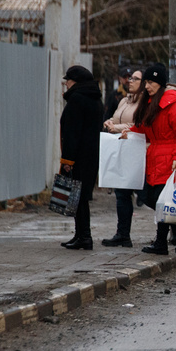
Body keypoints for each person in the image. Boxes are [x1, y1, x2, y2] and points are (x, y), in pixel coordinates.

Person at [130, 63, 176, 255]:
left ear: (160, 83)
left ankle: (162, 242)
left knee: (161, 200)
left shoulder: (173, 105)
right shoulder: (150, 103)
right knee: (149, 197)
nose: (147, 86)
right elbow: (144, 128)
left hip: (169, 160)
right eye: (146, 82)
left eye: (151, 82)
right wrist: (129, 132)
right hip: (155, 158)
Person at [59, 65, 105, 250]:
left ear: (75, 82)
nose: (66, 84)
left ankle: (84, 236)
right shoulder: (95, 99)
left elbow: (72, 133)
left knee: (78, 197)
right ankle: (81, 235)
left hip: (78, 156)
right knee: (81, 196)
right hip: (91, 155)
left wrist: (67, 160)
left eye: (68, 80)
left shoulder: (77, 99)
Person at [100, 67, 143, 247]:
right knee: (121, 193)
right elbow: (117, 118)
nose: (130, 81)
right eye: (130, 78)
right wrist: (109, 122)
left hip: (137, 151)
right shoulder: (124, 100)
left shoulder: (144, 102)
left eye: (135, 79)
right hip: (121, 149)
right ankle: (123, 234)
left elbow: (138, 124)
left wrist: (115, 128)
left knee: (146, 194)